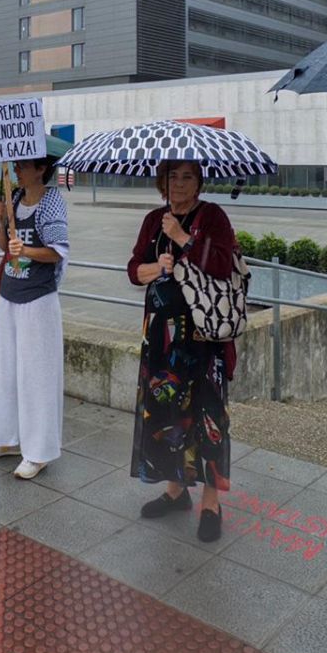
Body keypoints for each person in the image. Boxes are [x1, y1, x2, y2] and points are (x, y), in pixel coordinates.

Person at [126, 159, 240, 542]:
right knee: (167, 416)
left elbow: (223, 266)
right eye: (172, 176)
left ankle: (211, 503)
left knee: (208, 419)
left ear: (199, 182)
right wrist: (154, 268)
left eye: (186, 176)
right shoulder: (152, 219)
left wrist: (181, 237)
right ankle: (175, 491)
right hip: (161, 339)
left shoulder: (212, 217)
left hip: (204, 340)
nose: (178, 183)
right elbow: (132, 269)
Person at [0, 157, 70, 479]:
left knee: (38, 376)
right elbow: (5, 247)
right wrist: (2, 221)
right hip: (9, 294)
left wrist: (28, 251)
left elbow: (58, 251)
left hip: (38, 299)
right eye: (16, 165)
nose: (17, 170)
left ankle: (39, 450)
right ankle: (5, 437)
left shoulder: (51, 202)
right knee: (5, 370)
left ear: (41, 169)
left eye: (23, 165)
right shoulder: (14, 198)